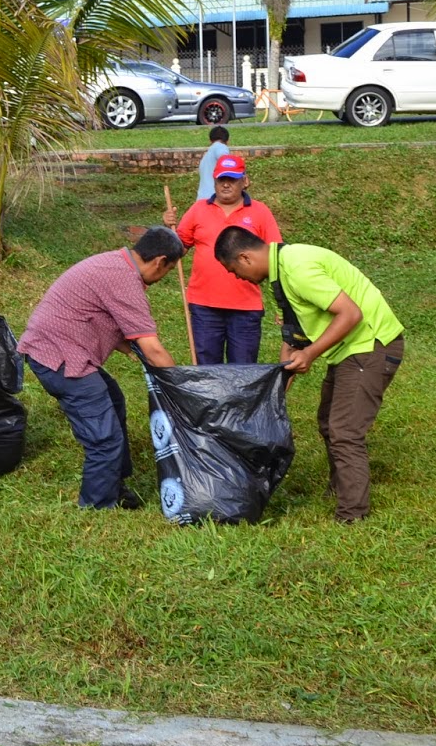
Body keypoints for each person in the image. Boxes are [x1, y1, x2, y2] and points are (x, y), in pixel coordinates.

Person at [214, 226, 404, 524]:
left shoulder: (297, 267)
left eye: (234, 270)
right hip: (349, 349)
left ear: (245, 257)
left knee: (344, 431)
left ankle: (352, 515)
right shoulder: (281, 273)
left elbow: (350, 314)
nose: (237, 277)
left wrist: (311, 354)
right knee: (328, 422)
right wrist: (275, 390)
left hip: (370, 346)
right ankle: (342, 487)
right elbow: (294, 338)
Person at [18, 228, 185, 509]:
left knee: (114, 397)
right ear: (159, 261)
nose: (162, 277)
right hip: (60, 359)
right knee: (104, 438)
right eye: (168, 271)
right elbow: (154, 350)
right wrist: (182, 388)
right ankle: (97, 506)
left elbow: (95, 312)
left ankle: (114, 483)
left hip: (56, 350)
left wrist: (127, 345)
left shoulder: (115, 262)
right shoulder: (124, 280)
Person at [161, 154, 281, 365]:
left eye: (232, 179)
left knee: (243, 371)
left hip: (246, 307)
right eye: (221, 179)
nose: (226, 184)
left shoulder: (260, 212)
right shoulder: (198, 210)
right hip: (204, 306)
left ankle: (239, 401)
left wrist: (283, 304)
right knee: (207, 370)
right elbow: (176, 249)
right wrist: (167, 228)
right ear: (214, 180)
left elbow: (276, 256)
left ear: (245, 181)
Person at [195, 125, 231, 201]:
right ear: (228, 141)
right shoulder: (221, 147)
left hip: (201, 199)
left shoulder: (206, 157)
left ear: (210, 140)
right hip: (213, 199)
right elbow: (225, 160)